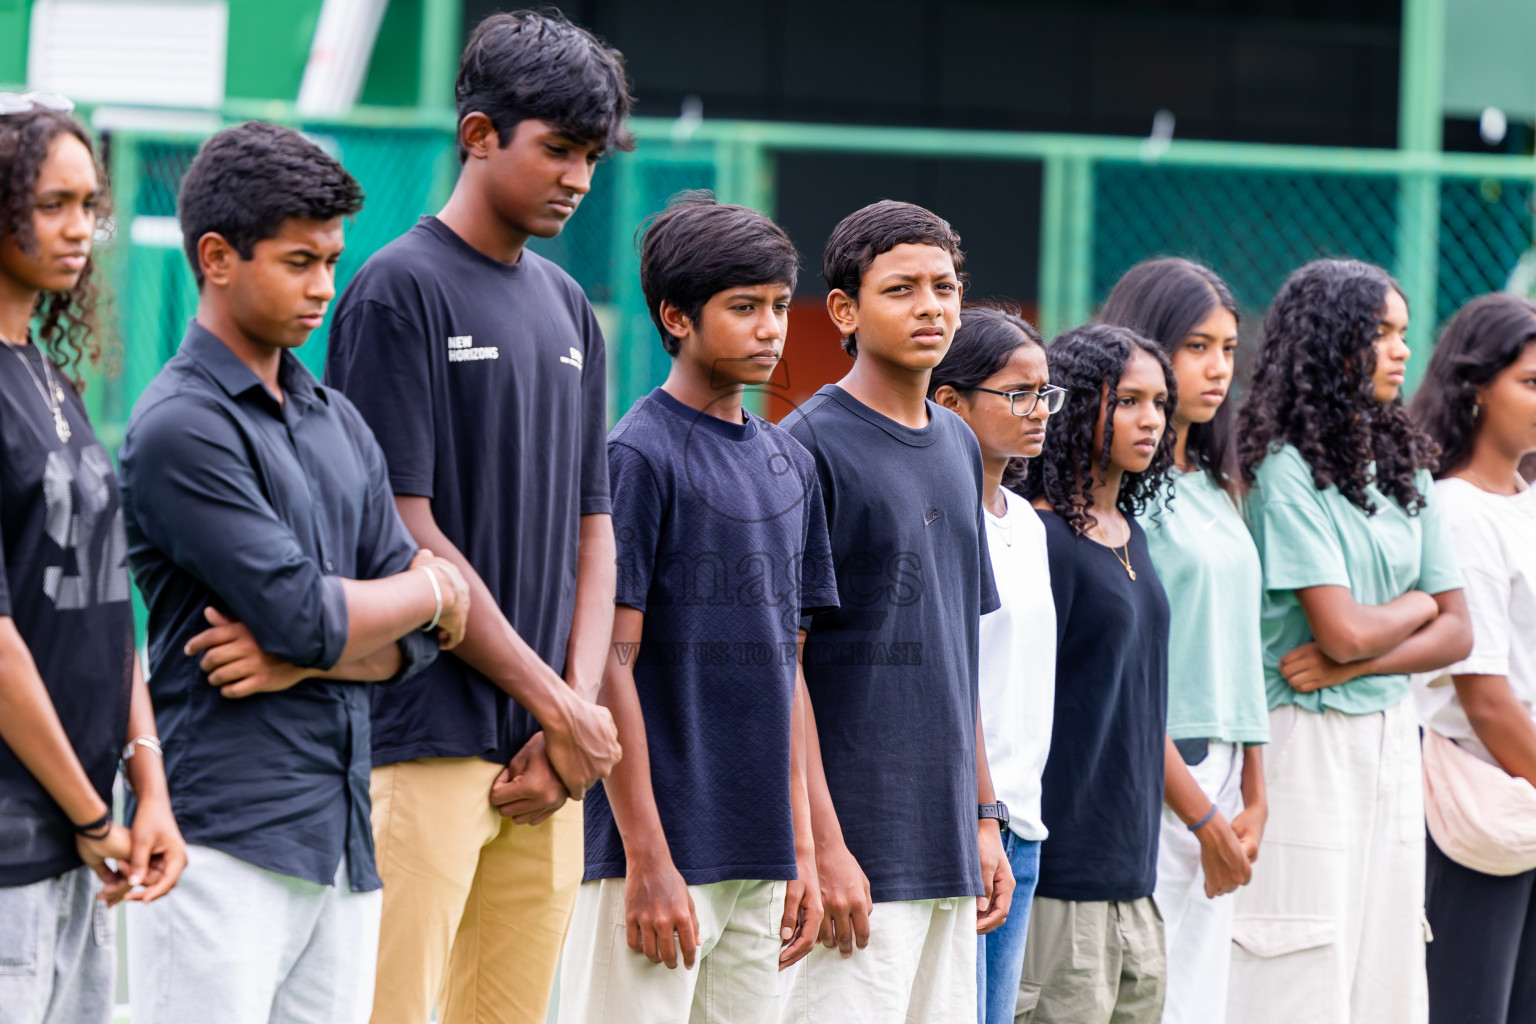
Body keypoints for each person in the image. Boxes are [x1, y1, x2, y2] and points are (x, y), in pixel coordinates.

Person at [119, 121, 469, 1024]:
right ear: (217, 257)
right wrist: (431, 589)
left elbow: (410, 650)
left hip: (341, 844)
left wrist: (328, 644)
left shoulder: (337, 421)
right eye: (298, 261)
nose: (324, 288)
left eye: (331, 260)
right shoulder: (180, 428)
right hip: (218, 843)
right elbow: (311, 614)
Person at [323, 11, 631, 1023]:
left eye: (591, 155)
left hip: (548, 760)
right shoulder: (394, 291)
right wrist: (563, 707)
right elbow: (406, 529)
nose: (577, 176)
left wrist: (574, 724)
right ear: (478, 135)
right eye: (557, 148)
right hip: (425, 738)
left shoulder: (569, 306)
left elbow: (597, 529)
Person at [558, 192, 837, 1023]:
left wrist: (801, 850)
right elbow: (611, 668)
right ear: (676, 316)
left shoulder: (791, 461)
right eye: (744, 308)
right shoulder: (635, 455)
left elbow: (785, 664)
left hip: (760, 861)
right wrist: (646, 854)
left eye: (781, 306)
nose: (772, 329)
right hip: (655, 858)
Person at [778, 200, 1012, 1024]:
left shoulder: (957, 442)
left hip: (948, 850)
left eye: (945, 287)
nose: (932, 307)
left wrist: (986, 819)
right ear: (844, 310)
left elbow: (959, 652)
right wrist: (827, 849)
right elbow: (787, 667)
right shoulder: (804, 445)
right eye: (902, 288)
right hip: (856, 867)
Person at [1228, 258, 1471, 1024]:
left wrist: (1360, 655)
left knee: (1388, 955)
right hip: (1305, 737)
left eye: (1403, 332)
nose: (1403, 350)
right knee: (1301, 960)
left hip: (1390, 731)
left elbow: (1458, 631)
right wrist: (1415, 606)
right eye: (1381, 334)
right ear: (1330, 342)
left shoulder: (1407, 466)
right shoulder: (1284, 468)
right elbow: (1339, 627)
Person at [0, 95, 184, 1024]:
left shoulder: (48, 371)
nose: (81, 231)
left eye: (89, 205)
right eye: (52, 205)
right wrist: (90, 816)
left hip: (85, 837)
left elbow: (108, 605)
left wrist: (145, 784)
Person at [1100, 259, 1269, 1024]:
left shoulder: (1212, 481)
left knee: (1201, 998)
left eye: (1229, 350)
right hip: (1162, 776)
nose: (1218, 369)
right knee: (1150, 992)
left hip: (1231, 777)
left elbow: (1240, 648)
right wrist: (1200, 814)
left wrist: (1256, 794)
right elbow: (1125, 678)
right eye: (1198, 346)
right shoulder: (1121, 497)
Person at [1016, 323, 1175, 1024]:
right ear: (1079, 406)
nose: (1152, 421)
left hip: (1135, 876)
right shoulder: (1043, 539)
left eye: (1160, 404)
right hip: (1063, 878)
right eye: (1130, 401)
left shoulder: (1130, 533)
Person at [928, 306, 1061, 1024]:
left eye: (1045, 392)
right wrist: (981, 815)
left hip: (1022, 826)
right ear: (949, 401)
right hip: (959, 827)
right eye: (1018, 393)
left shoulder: (1029, 523)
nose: (1039, 411)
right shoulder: (935, 518)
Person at [1409, 293, 1536, 1024]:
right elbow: (1485, 695)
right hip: (1479, 804)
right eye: (1530, 382)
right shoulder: (1457, 509)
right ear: (1474, 387)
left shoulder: (1521, 499)